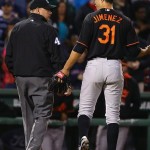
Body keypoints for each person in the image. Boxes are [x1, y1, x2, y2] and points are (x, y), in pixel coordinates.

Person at [55, 0, 150, 149]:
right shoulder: (125, 20)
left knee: (85, 108)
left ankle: (84, 138)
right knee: (113, 115)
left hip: (94, 65)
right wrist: (146, 51)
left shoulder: (91, 17)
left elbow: (80, 47)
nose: (94, 2)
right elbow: (133, 52)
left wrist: (66, 69)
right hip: (114, 66)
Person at [5, 0, 70, 150]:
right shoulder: (49, 29)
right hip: (41, 78)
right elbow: (58, 58)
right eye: (48, 9)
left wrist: (17, 74)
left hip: (21, 79)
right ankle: (32, 148)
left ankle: (32, 146)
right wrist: (62, 80)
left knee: (28, 117)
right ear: (38, 10)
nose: (51, 12)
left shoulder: (17, 28)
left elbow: (9, 57)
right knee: (42, 115)